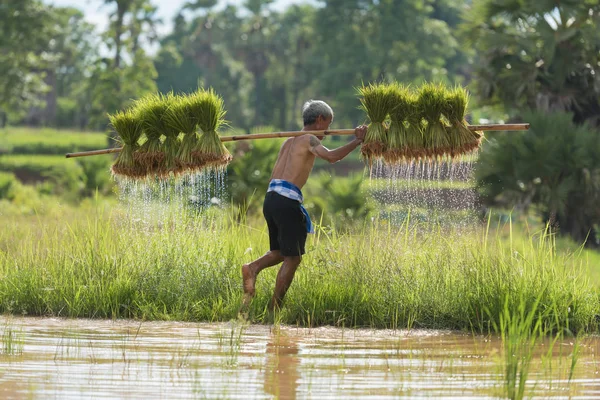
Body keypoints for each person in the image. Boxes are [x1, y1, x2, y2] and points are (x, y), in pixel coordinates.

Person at [241, 100, 367, 311]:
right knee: (294, 258)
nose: (327, 132)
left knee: (281, 251)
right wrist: (357, 141)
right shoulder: (308, 139)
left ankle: (252, 267)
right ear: (319, 120)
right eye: (328, 125)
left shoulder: (288, 140)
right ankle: (274, 310)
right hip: (286, 200)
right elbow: (332, 157)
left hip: (271, 199)